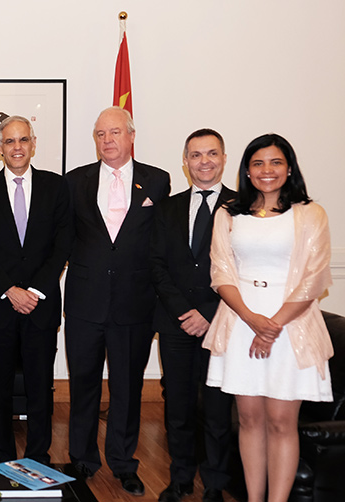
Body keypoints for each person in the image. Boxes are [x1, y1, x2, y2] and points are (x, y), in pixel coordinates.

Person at [204, 133, 333, 502]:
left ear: (289, 167)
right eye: (258, 163)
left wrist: (272, 324)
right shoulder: (229, 213)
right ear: (246, 170)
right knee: (249, 420)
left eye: (275, 162)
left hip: (291, 328)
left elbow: (315, 278)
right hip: (242, 324)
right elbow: (221, 273)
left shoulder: (310, 213)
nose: (267, 170)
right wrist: (252, 320)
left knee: (280, 421)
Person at [65, 107, 170, 495]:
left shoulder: (156, 182)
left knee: (127, 387)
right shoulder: (75, 182)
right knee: (83, 384)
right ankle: (81, 459)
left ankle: (124, 463)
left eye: (114, 133)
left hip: (134, 302)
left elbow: (161, 242)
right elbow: (65, 238)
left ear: (131, 135)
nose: (107, 141)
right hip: (84, 303)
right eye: (100, 134)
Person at [0, 115, 73, 464]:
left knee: (40, 389)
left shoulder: (57, 188)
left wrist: (35, 291)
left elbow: (62, 246)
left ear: (33, 143)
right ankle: (1, 459)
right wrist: (10, 290)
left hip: (40, 307)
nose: (16, 147)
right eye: (9, 141)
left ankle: (39, 457)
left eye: (23, 140)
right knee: (0, 391)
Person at [150, 130, 235, 502]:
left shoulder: (243, 206)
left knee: (217, 410)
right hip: (175, 323)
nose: (204, 162)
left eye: (211, 154)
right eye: (196, 155)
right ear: (184, 162)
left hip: (224, 322)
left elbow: (246, 271)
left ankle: (215, 484)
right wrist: (184, 311)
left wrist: (208, 312)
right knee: (178, 407)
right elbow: (156, 265)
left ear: (224, 158)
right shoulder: (168, 207)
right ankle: (181, 478)